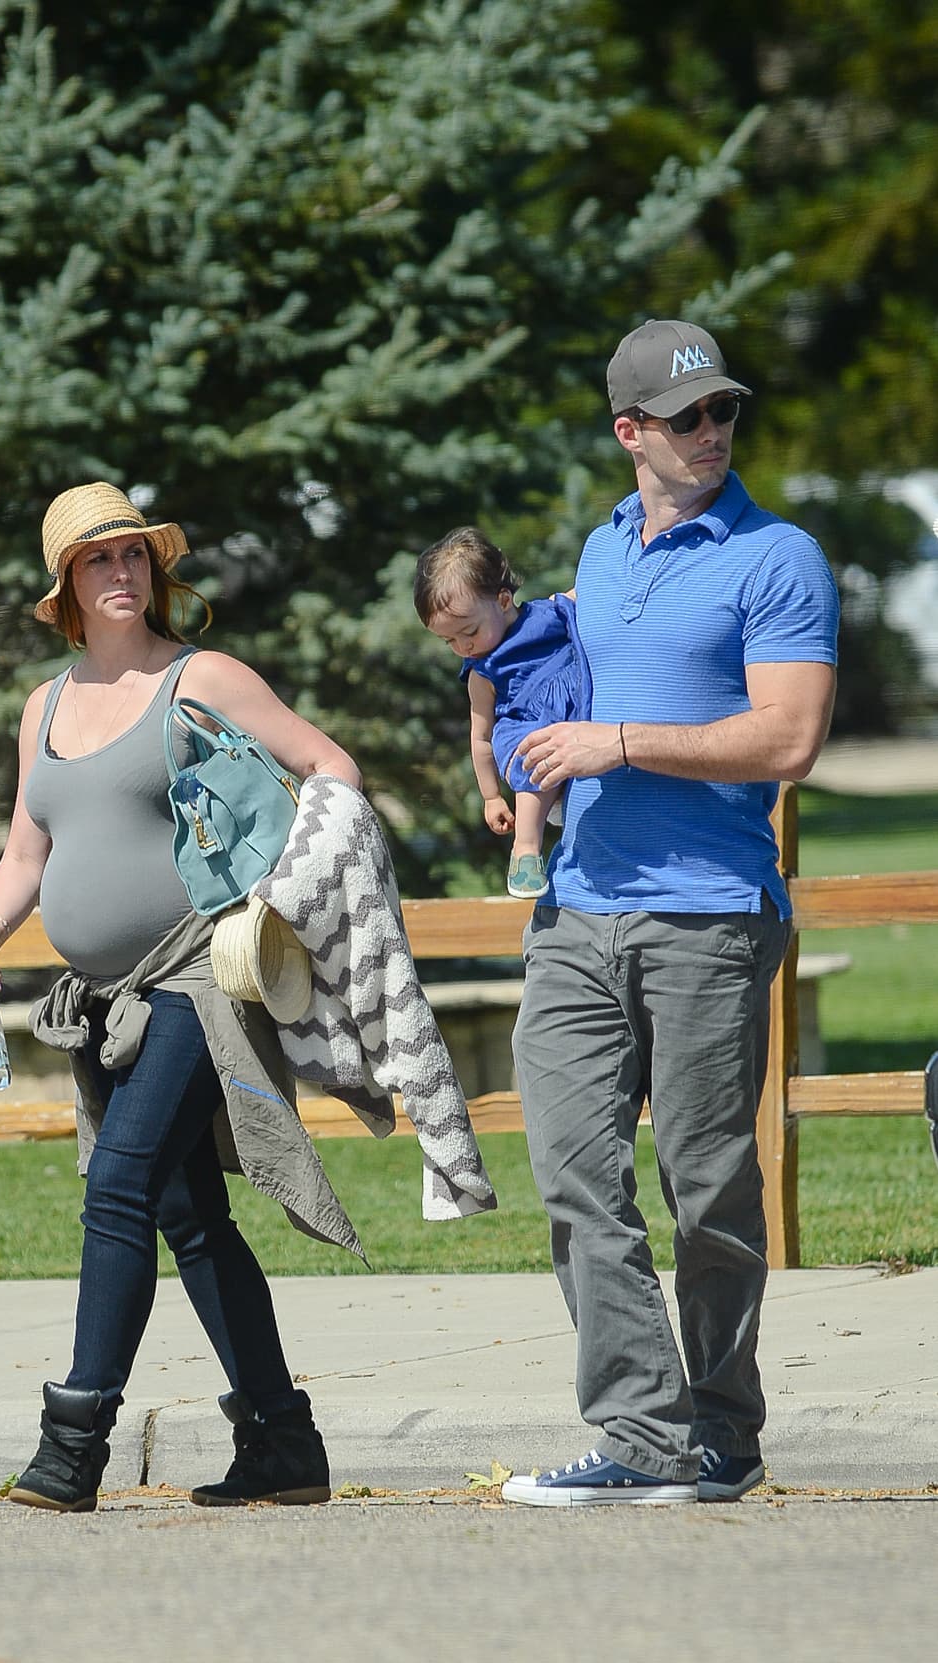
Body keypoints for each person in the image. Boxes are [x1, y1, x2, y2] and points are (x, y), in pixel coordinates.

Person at [0, 480, 361, 1513]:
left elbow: (328, 766)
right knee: (188, 1215)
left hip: (193, 975)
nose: (121, 574)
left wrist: (288, 894)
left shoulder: (199, 676)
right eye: (97, 561)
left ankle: (73, 1441)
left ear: (152, 571)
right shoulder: (45, 706)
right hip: (102, 995)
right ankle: (282, 1443)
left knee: (117, 1186)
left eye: (133, 556)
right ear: (66, 587)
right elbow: (28, 847)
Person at [501, 320, 839, 1507]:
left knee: (707, 1186)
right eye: (686, 417)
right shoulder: (596, 555)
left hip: (707, 913)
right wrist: (519, 765)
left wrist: (622, 743)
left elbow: (789, 736)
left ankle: (723, 1432)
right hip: (575, 911)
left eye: (723, 412)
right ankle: (643, 1441)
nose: (712, 433)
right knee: (574, 1173)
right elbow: (547, 684)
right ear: (628, 432)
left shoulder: (776, 557)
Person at [414, 526, 591, 900]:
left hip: (582, 717)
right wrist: (491, 796)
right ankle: (526, 850)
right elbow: (480, 738)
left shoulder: (551, 612)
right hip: (527, 730)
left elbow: (591, 587)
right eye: (449, 641)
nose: (463, 647)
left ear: (504, 600)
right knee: (536, 754)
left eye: (469, 631)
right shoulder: (483, 672)